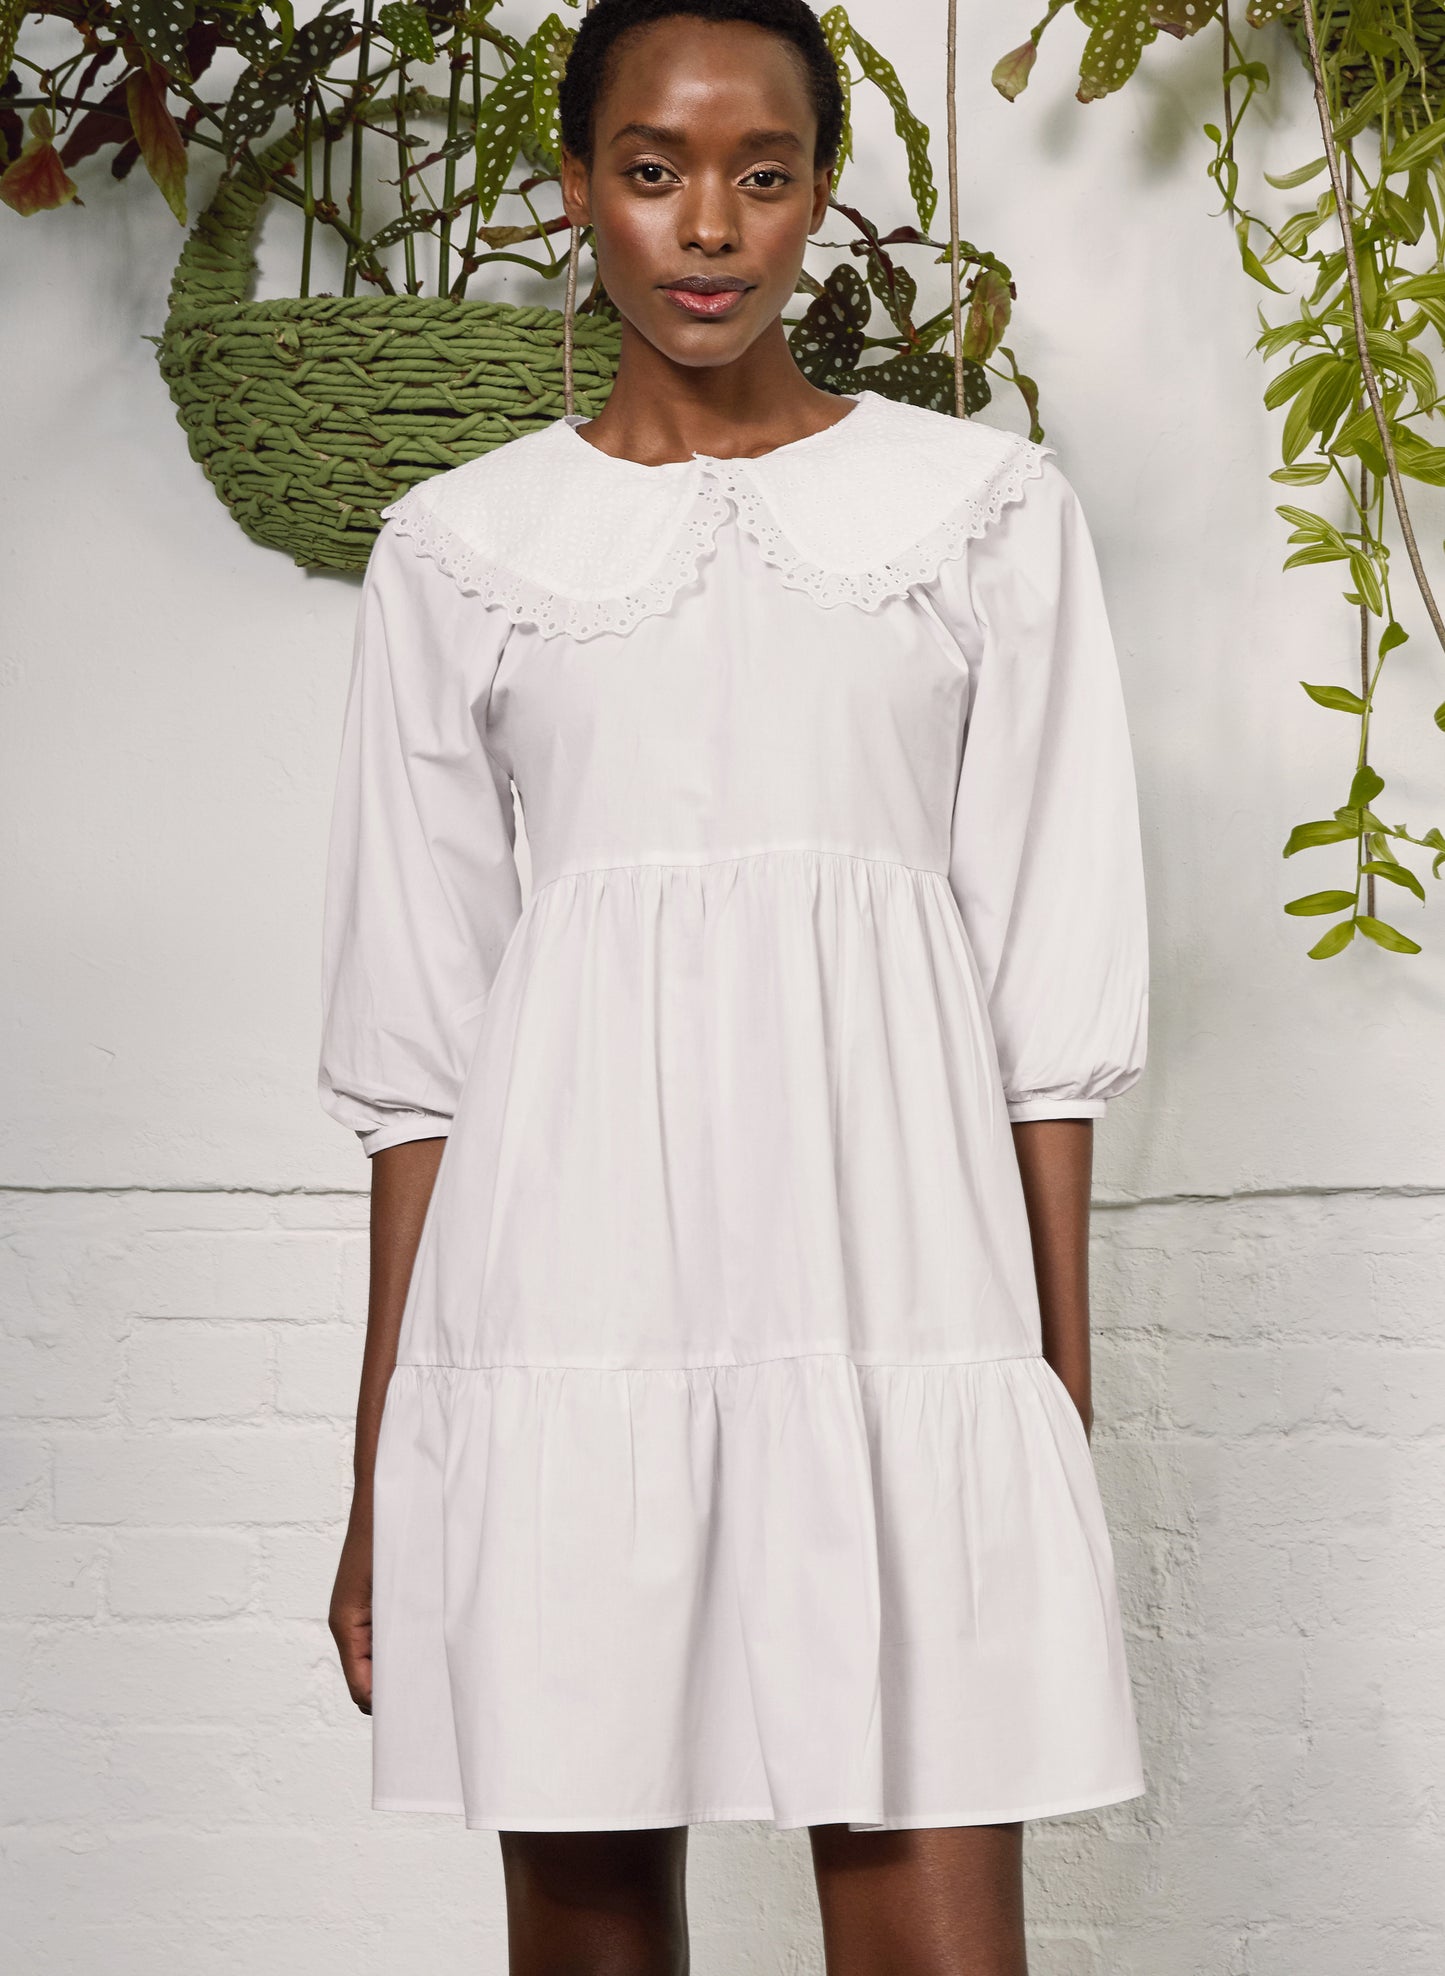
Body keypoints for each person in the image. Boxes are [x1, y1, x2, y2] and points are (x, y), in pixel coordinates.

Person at [318, 0, 1150, 1967]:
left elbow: (1048, 1012)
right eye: (653, 170)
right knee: (587, 1925)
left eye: (761, 175)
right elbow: (418, 1059)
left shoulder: (982, 515)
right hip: (564, 1320)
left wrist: (1053, 1404)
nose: (707, 226)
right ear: (576, 189)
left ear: (820, 198)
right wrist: (380, 1478)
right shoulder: (460, 550)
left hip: (899, 1297)